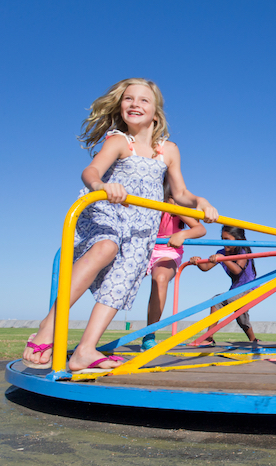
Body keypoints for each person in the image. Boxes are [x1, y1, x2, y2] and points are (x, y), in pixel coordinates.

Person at [22, 78, 218, 372]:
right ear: (120, 105)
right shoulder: (118, 141)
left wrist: (200, 201)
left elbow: (179, 194)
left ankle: (85, 350)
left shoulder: (169, 150)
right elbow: (90, 170)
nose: (135, 104)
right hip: (109, 209)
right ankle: (48, 326)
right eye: (129, 99)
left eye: (143, 100)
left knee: (123, 279)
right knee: (105, 248)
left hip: (142, 225)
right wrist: (101, 184)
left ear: (156, 113)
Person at [141, 189, 207, 351]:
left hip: (166, 251)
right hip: (142, 249)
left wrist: (183, 235)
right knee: (118, 280)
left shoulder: (173, 204)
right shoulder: (143, 199)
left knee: (161, 278)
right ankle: (90, 340)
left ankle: (149, 335)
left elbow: (200, 229)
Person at [189, 226, 258, 345]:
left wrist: (223, 259)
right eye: (221, 239)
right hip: (236, 290)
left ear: (238, 240)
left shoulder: (243, 251)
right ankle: (254, 340)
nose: (223, 242)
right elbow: (206, 268)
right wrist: (198, 262)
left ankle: (209, 337)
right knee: (241, 316)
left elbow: (237, 270)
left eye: (227, 239)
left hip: (249, 289)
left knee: (217, 301)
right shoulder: (221, 253)